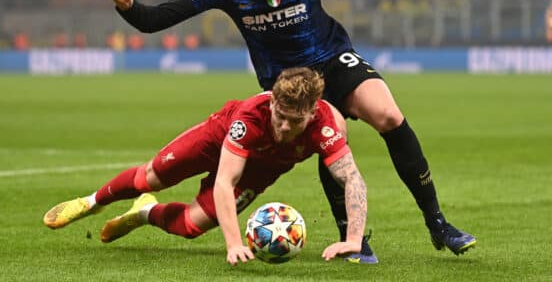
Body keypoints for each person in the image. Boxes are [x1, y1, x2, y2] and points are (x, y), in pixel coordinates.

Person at [92, 0, 501, 262]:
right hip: (288, 85)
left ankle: (438, 223)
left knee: (389, 114)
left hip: (332, 58)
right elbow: (157, 19)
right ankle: (351, 239)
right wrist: (127, 5)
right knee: (332, 130)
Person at [43, 67, 367, 265]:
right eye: (279, 116)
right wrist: (234, 243)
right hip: (216, 140)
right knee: (151, 178)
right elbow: (225, 180)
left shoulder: (326, 126)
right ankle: (92, 202)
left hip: (260, 171)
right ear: (272, 103)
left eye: (294, 121)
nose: (283, 127)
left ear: (312, 113)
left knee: (191, 227)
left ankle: (142, 214)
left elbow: (351, 179)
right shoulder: (250, 118)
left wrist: (354, 239)